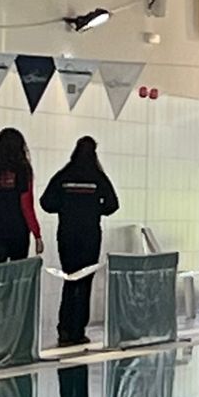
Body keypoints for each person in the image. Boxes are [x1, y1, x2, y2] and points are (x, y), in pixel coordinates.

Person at [40, 136, 120, 347]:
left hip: (67, 234)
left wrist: (65, 208)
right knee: (85, 282)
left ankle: (64, 328)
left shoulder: (64, 175)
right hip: (90, 235)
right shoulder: (98, 177)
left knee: (70, 279)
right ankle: (78, 330)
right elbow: (113, 205)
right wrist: (94, 210)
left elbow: (46, 202)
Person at [0, 128, 41, 263]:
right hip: (18, 231)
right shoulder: (22, 170)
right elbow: (26, 205)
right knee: (16, 272)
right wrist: (37, 234)